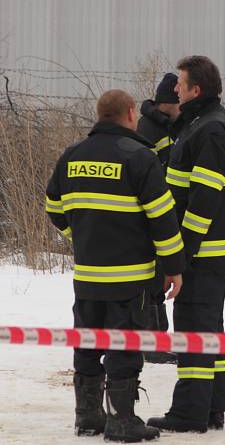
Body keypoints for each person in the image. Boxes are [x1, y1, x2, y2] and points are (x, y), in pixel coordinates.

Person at [46, 89, 185, 442]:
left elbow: (53, 208)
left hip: (89, 275)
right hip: (131, 276)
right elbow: (162, 219)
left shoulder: (72, 156)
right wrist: (172, 266)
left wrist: (82, 239)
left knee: (88, 341)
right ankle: (122, 420)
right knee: (124, 344)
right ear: (129, 113)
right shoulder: (139, 157)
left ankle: (88, 416)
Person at [148, 56, 225, 433]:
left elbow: (204, 199)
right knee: (206, 327)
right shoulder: (203, 123)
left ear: (196, 90)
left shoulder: (210, 128)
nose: (175, 88)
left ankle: (189, 413)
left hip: (204, 251)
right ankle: (211, 407)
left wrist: (181, 254)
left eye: (180, 83)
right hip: (208, 249)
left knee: (194, 328)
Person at [137, 72, 182, 365]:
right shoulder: (151, 131)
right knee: (152, 278)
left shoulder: (164, 126)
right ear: (169, 104)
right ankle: (150, 341)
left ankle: (157, 338)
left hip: (160, 212)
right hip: (150, 214)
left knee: (158, 276)